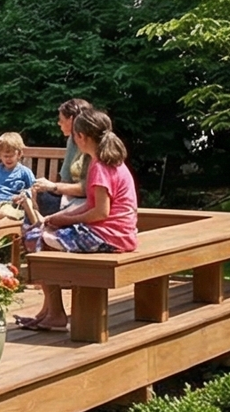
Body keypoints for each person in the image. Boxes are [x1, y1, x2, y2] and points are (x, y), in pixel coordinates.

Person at [17, 108, 140, 332]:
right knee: (41, 231)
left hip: (109, 236)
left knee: (37, 239)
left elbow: (101, 212)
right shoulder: (104, 162)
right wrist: (60, 218)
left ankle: (55, 314)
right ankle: (48, 311)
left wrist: (66, 221)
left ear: (81, 136)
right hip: (116, 233)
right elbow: (91, 205)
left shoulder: (100, 167)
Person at [32, 97, 94, 216]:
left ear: (71, 120)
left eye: (61, 120)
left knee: (42, 201)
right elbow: (66, 179)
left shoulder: (92, 147)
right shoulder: (72, 141)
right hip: (72, 198)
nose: (58, 123)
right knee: (35, 195)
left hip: (88, 202)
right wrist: (44, 187)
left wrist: (54, 186)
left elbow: (89, 188)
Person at [0, 132, 35, 221]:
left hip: (11, 204)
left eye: (11, 156)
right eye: (5, 156)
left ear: (19, 154)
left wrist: (23, 195)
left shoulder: (24, 172)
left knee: (1, 214)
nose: (8, 159)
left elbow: (33, 189)